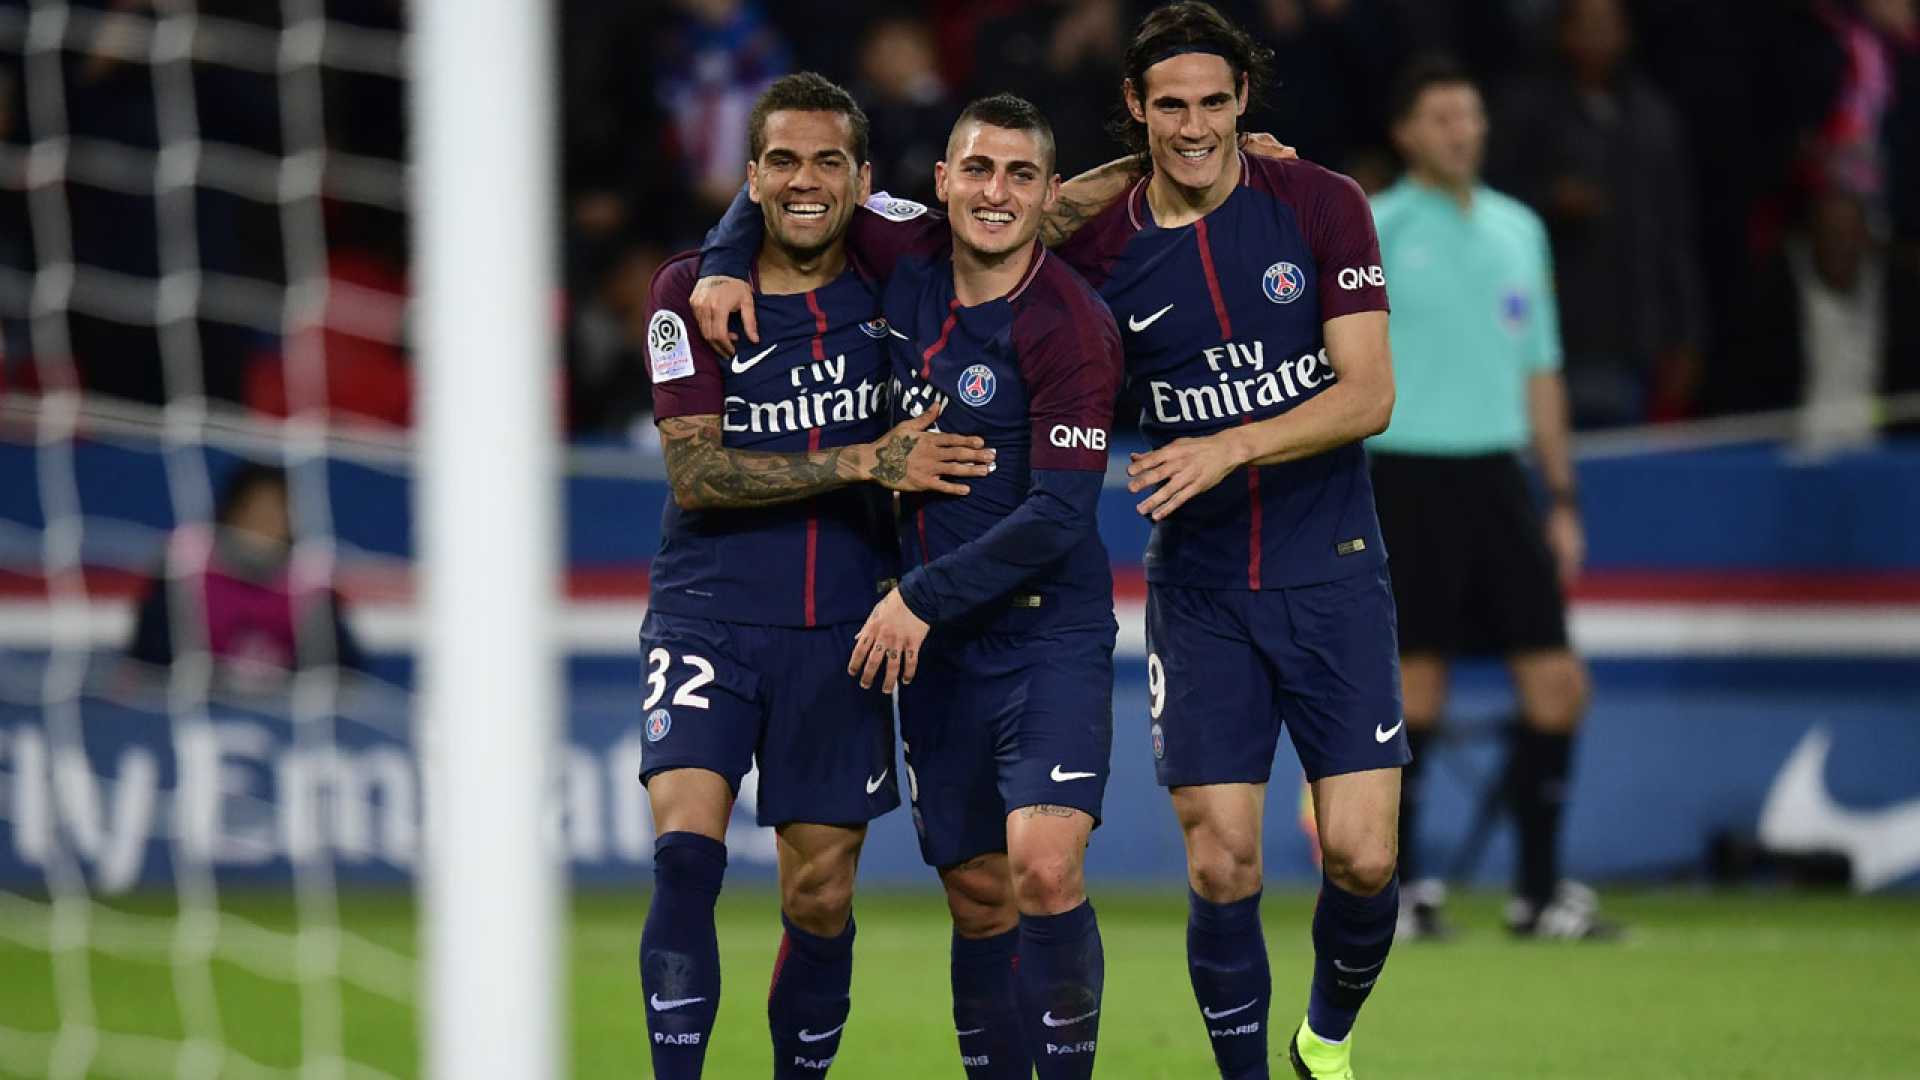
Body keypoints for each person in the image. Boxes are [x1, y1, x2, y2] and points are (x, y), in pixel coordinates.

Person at [1059, 6, 1405, 1077]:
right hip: (1202, 590)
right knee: (1221, 863)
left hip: (1333, 571)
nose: (1195, 125)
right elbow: (970, 224)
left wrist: (1229, 446)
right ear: (1135, 106)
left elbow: (1369, 395)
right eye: (1171, 105)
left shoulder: (1322, 202)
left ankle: (1325, 1040)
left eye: (1215, 102)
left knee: (1363, 857)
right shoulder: (1099, 251)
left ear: (1246, 98)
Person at [637, 72, 999, 1079]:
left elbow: (1023, 210)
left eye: (827, 161)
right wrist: (863, 460)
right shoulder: (690, 294)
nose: (805, 181)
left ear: (864, 179)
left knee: (821, 894)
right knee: (685, 854)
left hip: (845, 624)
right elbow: (697, 474)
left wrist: (1161, 170)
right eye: (783, 161)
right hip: (707, 613)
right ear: (750, 176)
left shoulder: (902, 278)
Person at [1368, 57, 1619, 942]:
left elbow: (1541, 371)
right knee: (1415, 689)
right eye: (1441, 117)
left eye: (1469, 115)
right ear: (1406, 132)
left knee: (1558, 685)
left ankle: (1538, 895)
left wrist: (1561, 496)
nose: (1460, 131)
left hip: (1500, 478)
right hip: (1403, 475)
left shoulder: (1520, 228)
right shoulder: (1375, 227)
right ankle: (1399, 893)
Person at [127, 463, 365, 686]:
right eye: (255, 511)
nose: (264, 524)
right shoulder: (188, 566)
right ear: (232, 512)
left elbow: (341, 669)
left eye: (277, 514)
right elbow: (150, 656)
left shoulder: (310, 582)